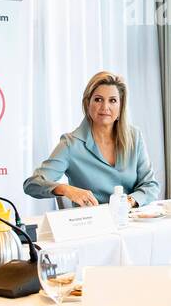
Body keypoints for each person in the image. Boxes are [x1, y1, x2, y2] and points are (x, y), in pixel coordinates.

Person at [24, 71, 159, 208]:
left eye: (112, 100)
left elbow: (150, 185)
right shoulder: (71, 144)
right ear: (88, 103)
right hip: (91, 225)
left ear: (120, 106)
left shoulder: (134, 137)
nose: (105, 107)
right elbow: (32, 184)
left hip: (131, 221)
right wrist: (65, 189)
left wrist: (128, 202)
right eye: (98, 99)